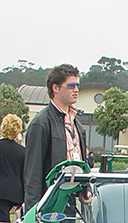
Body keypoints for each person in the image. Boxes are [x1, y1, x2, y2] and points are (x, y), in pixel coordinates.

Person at [23, 64, 86, 211]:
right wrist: (34, 214)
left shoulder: (77, 124)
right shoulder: (41, 123)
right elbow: (33, 173)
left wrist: (85, 190)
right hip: (49, 203)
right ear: (55, 88)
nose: (76, 90)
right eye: (71, 86)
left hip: (71, 201)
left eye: (77, 85)